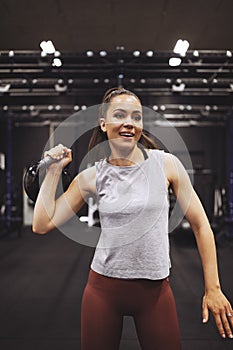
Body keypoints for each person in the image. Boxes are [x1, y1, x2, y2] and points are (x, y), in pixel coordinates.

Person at [32, 87, 233, 350]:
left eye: (136, 117)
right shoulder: (92, 176)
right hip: (103, 290)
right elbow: (41, 224)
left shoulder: (166, 164)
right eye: (120, 115)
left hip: (155, 292)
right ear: (103, 124)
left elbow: (200, 224)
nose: (129, 123)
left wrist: (213, 288)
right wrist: (54, 172)